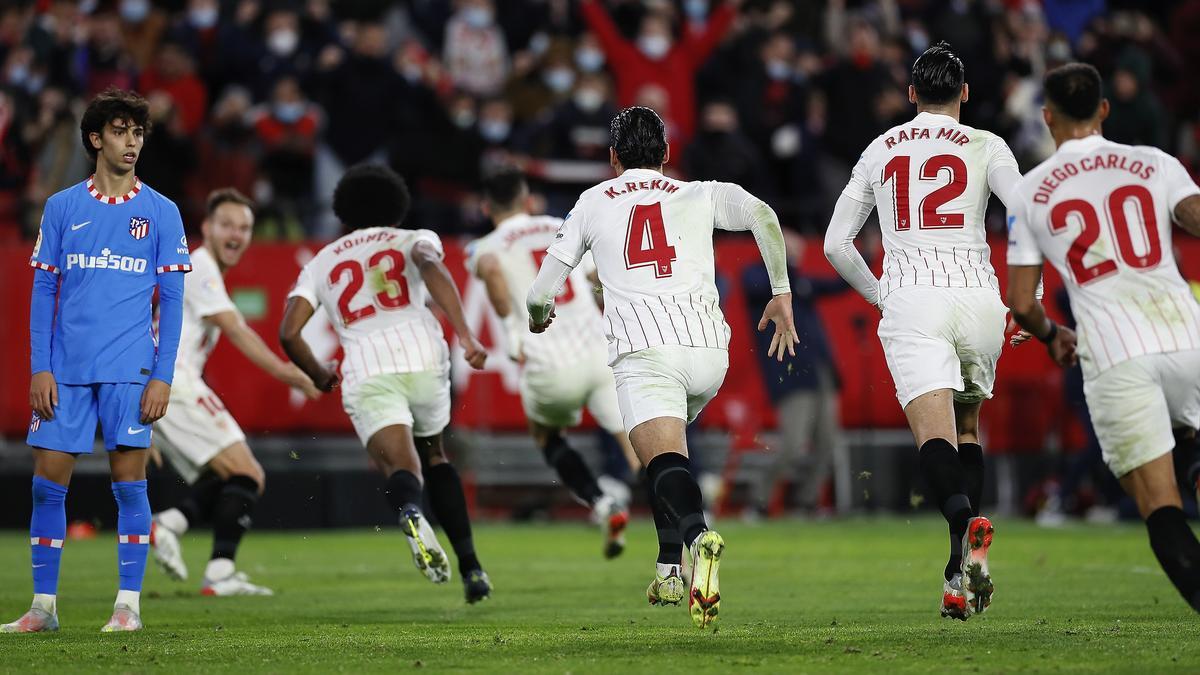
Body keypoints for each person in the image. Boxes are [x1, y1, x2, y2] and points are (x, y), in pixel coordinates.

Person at [527, 106, 797, 628]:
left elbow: (542, 292)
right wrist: (781, 292)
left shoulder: (592, 201)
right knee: (666, 458)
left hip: (646, 350)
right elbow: (763, 214)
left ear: (612, 158)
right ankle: (669, 568)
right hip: (708, 351)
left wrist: (541, 318)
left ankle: (699, 539)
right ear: (667, 154)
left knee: (663, 463)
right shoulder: (698, 192)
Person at [823, 42, 1024, 620]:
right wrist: (1028, 298)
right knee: (967, 429)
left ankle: (966, 526)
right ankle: (956, 578)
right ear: (965, 93)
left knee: (932, 439)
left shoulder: (882, 147)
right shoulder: (989, 145)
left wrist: (881, 294)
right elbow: (1026, 211)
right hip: (979, 296)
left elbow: (837, 243)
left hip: (914, 296)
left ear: (911, 94)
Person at [1007, 62, 1200, 613]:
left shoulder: (1030, 191)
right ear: (1104, 109)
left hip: (1116, 352)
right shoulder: (1153, 162)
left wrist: (1052, 335)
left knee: (1159, 504)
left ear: (1047, 118)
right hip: (1187, 334)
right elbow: (1195, 216)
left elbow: (1022, 303)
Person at [3, 88, 191, 633]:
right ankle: (43, 608)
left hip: (131, 369)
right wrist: (40, 366)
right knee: (46, 483)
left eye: (137, 133)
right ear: (95, 138)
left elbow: (173, 303)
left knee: (130, 484)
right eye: (119, 131)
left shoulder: (162, 212)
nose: (131, 142)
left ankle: (128, 606)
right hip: (65, 370)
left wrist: (162, 375)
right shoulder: (62, 208)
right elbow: (43, 294)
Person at [279, 164, 493, 603]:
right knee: (435, 455)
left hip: (366, 365)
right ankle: (472, 567)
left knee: (402, 468)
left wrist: (319, 374)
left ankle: (411, 510)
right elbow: (431, 266)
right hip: (421, 353)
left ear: (343, 212)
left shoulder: (323, 260)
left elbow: (288, 331)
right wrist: (466, 334)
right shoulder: (412, 237)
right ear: (397, 206)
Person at [148, 188, 321, 596]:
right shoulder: (200, 265)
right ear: (207, 227)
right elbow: (235, 329)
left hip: (160, 384)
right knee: (248, 473)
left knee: (225, 475)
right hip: (176, 384)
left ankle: (175, 528)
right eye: (227, 225)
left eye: (244, 228)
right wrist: (288, 372)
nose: (236, 234)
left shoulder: (196, 267)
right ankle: (213, 567)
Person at [466, 168, 633, 559]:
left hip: (548, 359)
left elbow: (489, 268)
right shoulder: (563, 223)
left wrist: (511, 333)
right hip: (598, 350)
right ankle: (679, 532)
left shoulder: (486, 244)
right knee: (639, 447)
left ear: (486, 207)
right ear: (528, 200)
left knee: (546, 436)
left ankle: (602, 502)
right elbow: (596, 280)